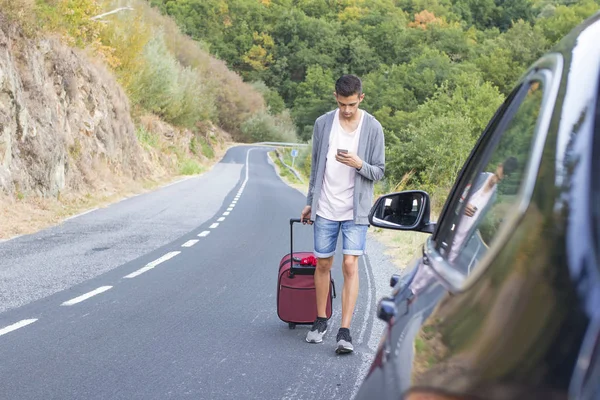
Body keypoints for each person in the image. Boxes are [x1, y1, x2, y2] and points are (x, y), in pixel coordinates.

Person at [300, 74, 385, 354]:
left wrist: (359, 163)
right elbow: (316, 167)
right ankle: (321, 320)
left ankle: (344, 330)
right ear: (335, 96)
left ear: (361, 98)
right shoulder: (323, 123)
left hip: (355, 210)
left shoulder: (373, 128)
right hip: (325, 206)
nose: (347, 110)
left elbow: (379, 172)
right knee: (322, 265)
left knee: (350, 265)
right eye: (342, 103)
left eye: (351, 104)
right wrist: (310, 200)